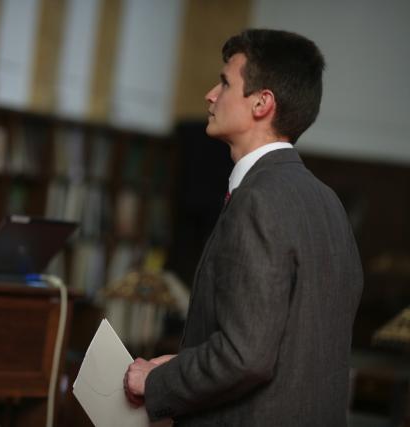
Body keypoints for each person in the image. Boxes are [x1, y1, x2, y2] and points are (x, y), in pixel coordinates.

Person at [124, 29, 363, 426]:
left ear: (261, 103)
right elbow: (280, 340)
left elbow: (246, 356)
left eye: (224, 82)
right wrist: (187, 363)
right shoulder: (327, 201)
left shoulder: (258, 200)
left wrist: (159, 379)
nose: (210, 95)